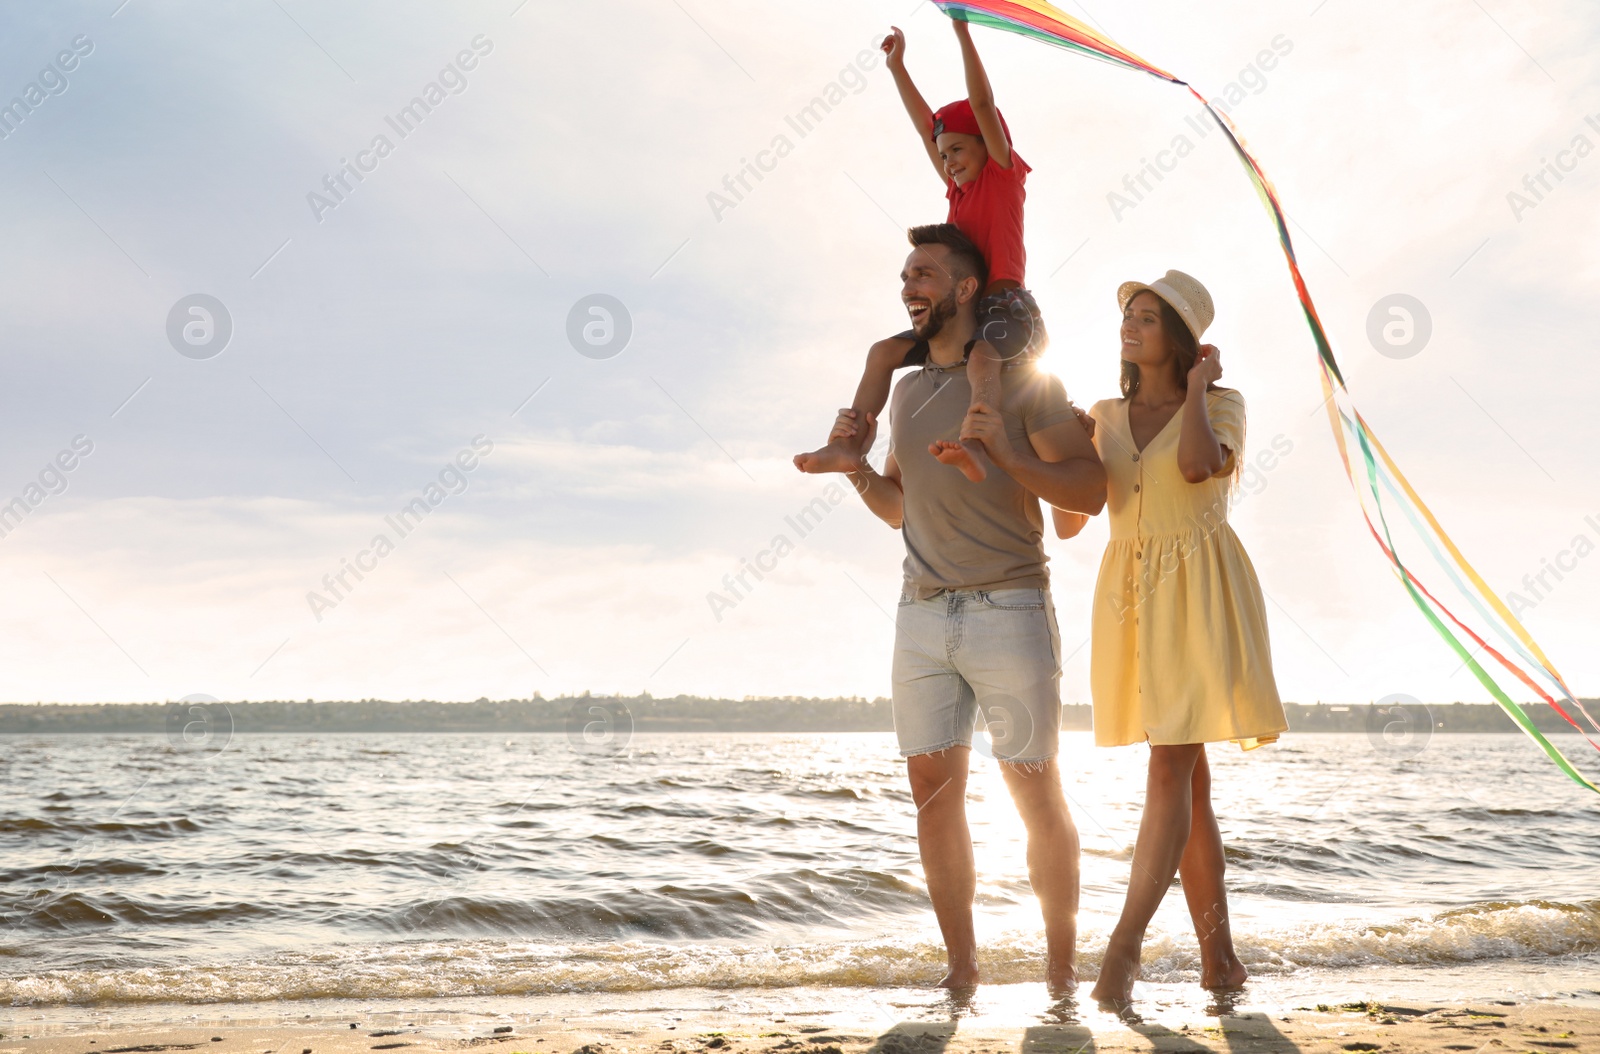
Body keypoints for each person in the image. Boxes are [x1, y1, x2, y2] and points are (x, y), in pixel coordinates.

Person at [832, 222, 1104, 991]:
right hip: (919, 614)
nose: (907, 287)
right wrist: (855, 470)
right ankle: (962, 969)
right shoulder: (910, 392)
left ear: (963, 289)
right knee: (931, 796)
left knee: (1032, 787)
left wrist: (1009, 456)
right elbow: (896, 508)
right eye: (902, 278)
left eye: (921, 274)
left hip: (1009, 606)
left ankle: (1060, 968)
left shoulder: (1025, 383)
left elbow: (1089, 490)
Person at [1061, 270, 1288, 1006]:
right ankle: (1219, 959)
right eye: (1128, 312)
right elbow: (1075, 518)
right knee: (1190, 784)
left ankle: (1122, 951)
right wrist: (1060, 445)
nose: (1130, 324)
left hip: (1199, 593)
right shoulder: (1102, 412)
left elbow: (1196, 467)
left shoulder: (1223, 405)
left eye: (1149, 317)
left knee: (1168, 769)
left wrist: (1195, 389)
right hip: (1130, 599)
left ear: (1184, 340)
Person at [795, 18, 1045, 484]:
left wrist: (962, 32)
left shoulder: (1001, 177)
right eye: (943, 155)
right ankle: (847, 445)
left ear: (987, 145)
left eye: (956, 150)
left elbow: (983, 104)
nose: (948, 163)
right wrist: (897, 68)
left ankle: (976, 443)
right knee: (882, 352)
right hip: (959, 313)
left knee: (982, 356)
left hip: (1004, 309)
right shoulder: (957, 194)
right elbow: (923, 128)